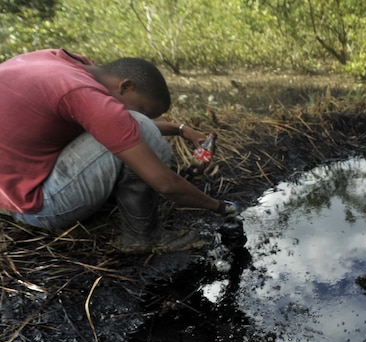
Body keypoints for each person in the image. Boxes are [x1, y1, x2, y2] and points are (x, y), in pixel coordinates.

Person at [0, 48, 237, 254]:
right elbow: (166, 184)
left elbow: (114, 122)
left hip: (10, 191)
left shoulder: (65, 63)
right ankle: (143, 238)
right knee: (143, 131)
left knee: (134, 127)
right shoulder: (84, 93)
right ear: (126, 86)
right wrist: (219, 206)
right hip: (37, 206)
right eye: (142, 108)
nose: (141, 115)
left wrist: (180, 129)